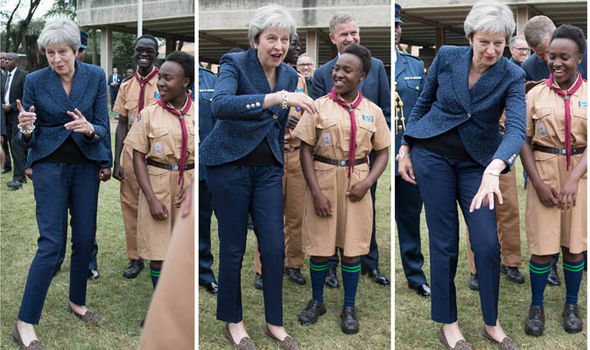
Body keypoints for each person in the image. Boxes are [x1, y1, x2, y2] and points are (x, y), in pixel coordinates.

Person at [398, 1, 525, 348]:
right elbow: (423, 103)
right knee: (444, 242)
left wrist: (495, 169)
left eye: (499, 43)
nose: (491, 50)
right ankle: (448, 324)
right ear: (471, 37)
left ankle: (491, 322)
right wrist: (406, 148)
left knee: (486, 244)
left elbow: (515, 128)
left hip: (479, 163)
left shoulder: (512, 73)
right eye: (484, 41)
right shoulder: (447, 56)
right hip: (432, 155)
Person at [200, 4, 314, 349]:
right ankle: (233, 323)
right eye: (271, 38)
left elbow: (278, 122)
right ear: (256, 40)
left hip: (267, 169)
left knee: (273, 246)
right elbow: (220, 105)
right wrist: (277, 98)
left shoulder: (291, 75)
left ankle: (274, 323)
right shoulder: (234, 63)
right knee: (233, 247)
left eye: (284, 39)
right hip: (227, 166)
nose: (278, 46)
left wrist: (287, 117)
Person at [12, 17, 111, 349]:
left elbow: (102, 126)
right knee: (51, 244)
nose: (56, 59)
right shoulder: (36, 81)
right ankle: (24, 324)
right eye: (50, 52)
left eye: (63, 52)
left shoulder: (96, 77)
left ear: (77, 50)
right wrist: (26, 129)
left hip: (85, 166)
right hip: (50, 167)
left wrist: (91, 130)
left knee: (84, 238)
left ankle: (77, 302)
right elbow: (29, 133)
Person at [294, 43, 389, 334]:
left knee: (352, 249)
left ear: (362, 76)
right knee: (321, 248)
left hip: (357, 183)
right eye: (337, 68)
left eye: (348, 70)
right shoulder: (318, 106)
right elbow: (304, 151)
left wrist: (368, 182)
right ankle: (317, 300)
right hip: (323, 178)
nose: (339, 74)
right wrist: (316, 192)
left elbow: (383, 151)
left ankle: (349, 305)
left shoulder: (372, 111)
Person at [312, 12, 391, 288]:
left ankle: (370, 262)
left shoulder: (377, 67)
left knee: (364, 211)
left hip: (364, 159)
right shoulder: (323, 73)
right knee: (329, 213)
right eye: (344, 34)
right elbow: (316, 117)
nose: (350, 38)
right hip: (330, 161)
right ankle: (331, 266)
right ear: (333, 38)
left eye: (354, 32)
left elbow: (386, 112)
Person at [520, 24, 587, 337]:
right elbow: (523, 140)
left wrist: (574, 178)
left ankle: (571, 305)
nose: (557, 63)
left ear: (579, 58)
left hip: (580, 176)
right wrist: (536, 182)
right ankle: (536, 306)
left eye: (565, 57)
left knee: (574, 246)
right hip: (543, 175)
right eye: (552, 57)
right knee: (542, 247)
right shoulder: (535, 94)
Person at [125, 50, 194, 307]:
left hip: (188, 188)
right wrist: (151, 198)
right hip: (157, 185)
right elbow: (138, 156)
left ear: (185, 82)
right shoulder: (149, 114)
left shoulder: (197, 113)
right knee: (158, 251)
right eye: (160, 78)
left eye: (168, 78)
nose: (161, 83)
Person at [253, 31, 308, 288]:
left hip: (296, 154)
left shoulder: (299, 80)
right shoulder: (265, 76)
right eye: (288, 43)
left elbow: (306, 113)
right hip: (271, 153)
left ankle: (294, 263)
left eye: (294, 43)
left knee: (296, 215)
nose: (291, 48)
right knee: (268, 215)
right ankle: (263, 268)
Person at [113, 34, 160, 279]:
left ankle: (157, 254)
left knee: (155, 206)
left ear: (156, 54)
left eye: (149, 50)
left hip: (156, 155)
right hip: (131, 155)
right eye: (140, 50)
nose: (144, 54)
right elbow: (121, 124)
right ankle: (134, 257)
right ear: (134, 52)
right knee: (130, 207)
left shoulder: (165, 82)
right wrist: (116, 161)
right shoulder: (126, 85)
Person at [394, 3, 430, 298]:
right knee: (365, 209)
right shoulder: (370, 63)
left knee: (409, 212)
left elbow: (424, 106)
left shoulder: (415, 65)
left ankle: (415, 275)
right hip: (374, 147)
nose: (393, 30)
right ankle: (366, 262)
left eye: (396, 24)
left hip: (409, 148)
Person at [138, 184, 195, 349]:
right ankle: (158, 307)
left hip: (187, 182)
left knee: (184, 257)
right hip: (159, 180)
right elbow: (138, 158)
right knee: (158, 251)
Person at [198, 65, 218, 295]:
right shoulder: (172, 74)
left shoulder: (212, 80)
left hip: (206, 165)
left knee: (203, 222)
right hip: (174, 165)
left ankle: (204, 273)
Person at [2, 52, 28, 190]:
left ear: (16, 62)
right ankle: (15, 171)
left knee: (16, 144)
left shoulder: (23, 75)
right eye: (4, 59)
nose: (5, 61)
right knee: (10, 144)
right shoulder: (4, 76)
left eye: (9, 59)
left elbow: (27, 96)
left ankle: (18, 178)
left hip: (17, 114)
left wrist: (11, 106)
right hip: (5, 116)